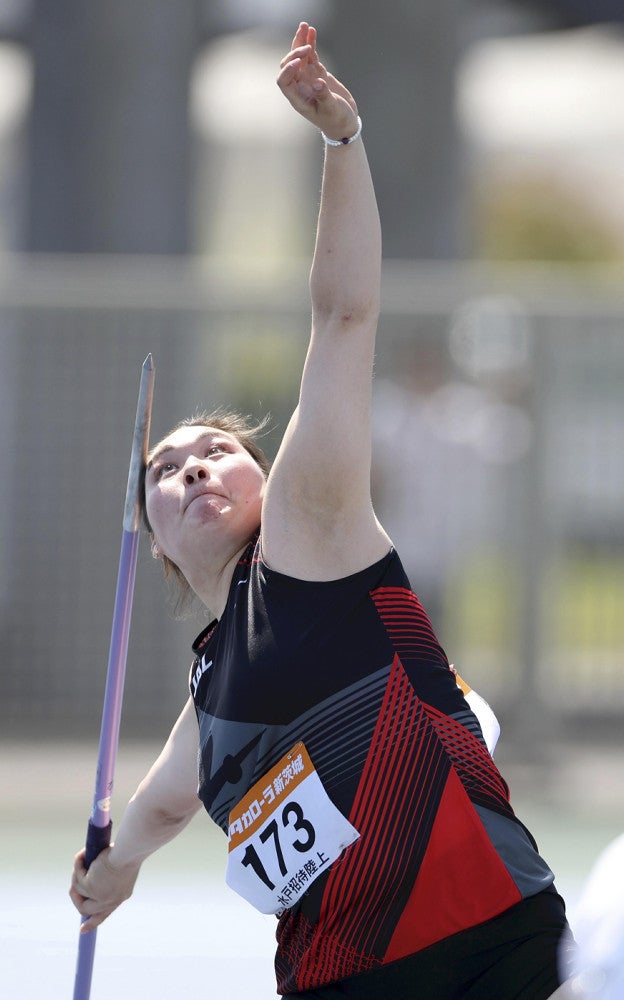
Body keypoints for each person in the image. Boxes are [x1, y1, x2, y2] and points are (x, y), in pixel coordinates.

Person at [70, 22, 575, 999]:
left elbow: (344, 315)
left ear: (270, 482)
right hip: (342, 981)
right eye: (167, 471)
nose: (194, 467)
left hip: (488, 951)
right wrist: (114, 868)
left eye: (219, 450)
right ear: (158, 541)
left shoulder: (311, 538)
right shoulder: (211, 692)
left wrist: (342, 143)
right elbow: (167, 803)